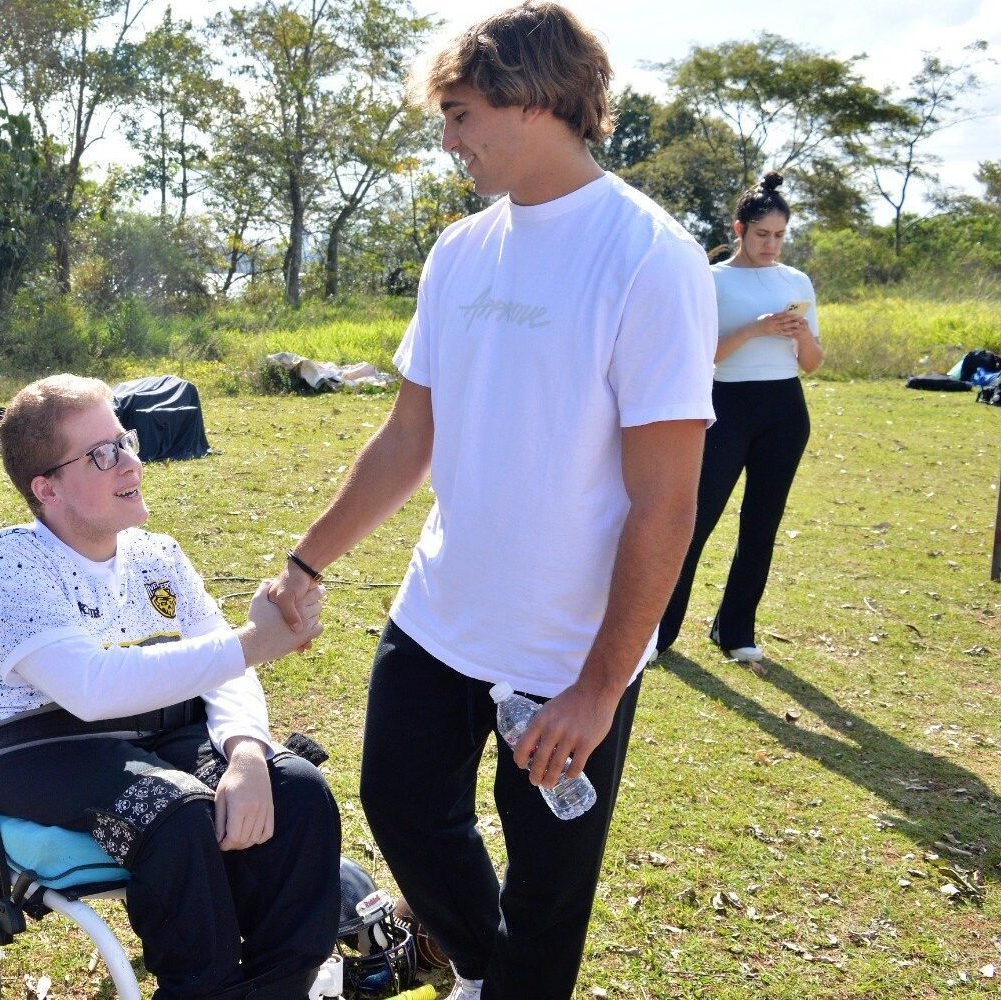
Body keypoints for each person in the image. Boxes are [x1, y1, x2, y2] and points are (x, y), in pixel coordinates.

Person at [266, 5, 717, 999]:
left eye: (461, 114)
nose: (447, 141)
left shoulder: (649, 256)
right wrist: (306, 559)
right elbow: (407, 437)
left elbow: (666, 500)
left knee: (549, 885)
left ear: (540, 102)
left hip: (568, 647)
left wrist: (599, 686)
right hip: (441, 611)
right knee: (398, 801)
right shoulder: (459, 252)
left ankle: (503, 975)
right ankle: (473, 960)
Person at [0, 374, 341, 1000]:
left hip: (148, 731)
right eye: (103, 454)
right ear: (46, 488)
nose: (133, 460)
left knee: (298, 791)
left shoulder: (156, 554)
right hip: (23, 746)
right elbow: (91, 689)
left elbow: (220, 671)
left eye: (125, 439)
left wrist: (247, 754)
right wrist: (250, 643)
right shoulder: (6, 565)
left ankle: (278, 987)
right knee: (173, 812)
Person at [657, 172, 824, 663]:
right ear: (739, 229)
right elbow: (701, 354)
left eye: (779, 236)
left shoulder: (796, 281)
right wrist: (754, 329)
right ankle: (660, 632)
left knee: (761, 525)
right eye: (762, 235)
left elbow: (812, 363)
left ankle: (735, 632)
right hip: (725, 408)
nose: (771, 245)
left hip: (785, 410)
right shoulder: (710, 281)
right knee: (696, 519)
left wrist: (800, 334)